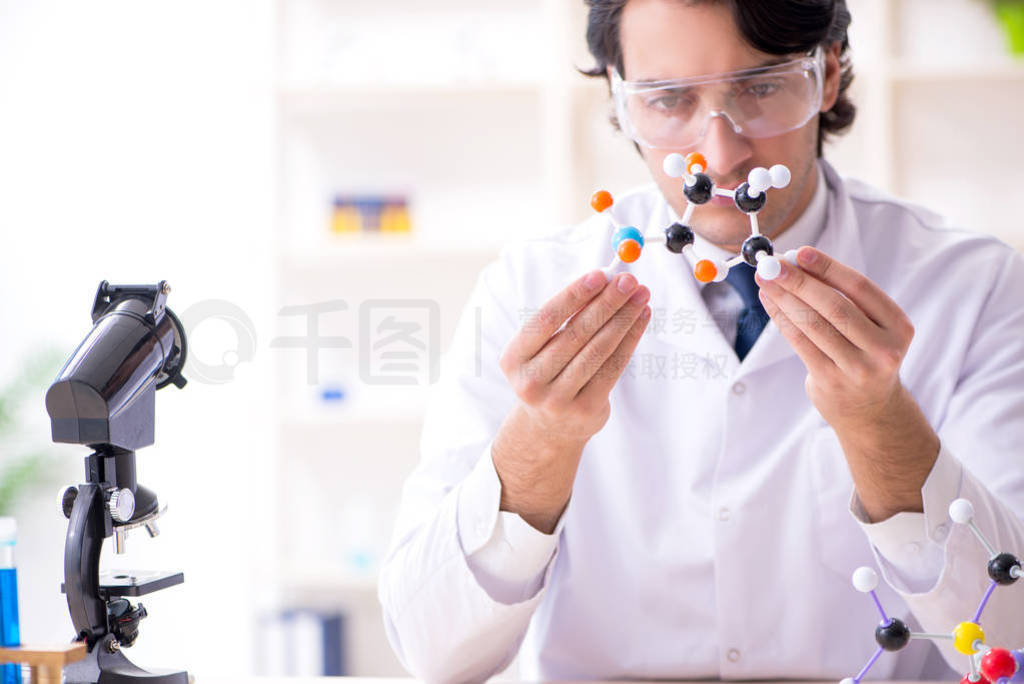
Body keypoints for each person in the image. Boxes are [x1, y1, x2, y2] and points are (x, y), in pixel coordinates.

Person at [377, 1, 1024, 682]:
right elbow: (433, 653)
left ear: (827, 74)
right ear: (619, 101)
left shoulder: (973, 286)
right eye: (668, 99)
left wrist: (880, 423)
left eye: (762, 87)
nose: (720, 153)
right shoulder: (529, 288)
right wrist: (538, 443)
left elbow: (1010, 639)